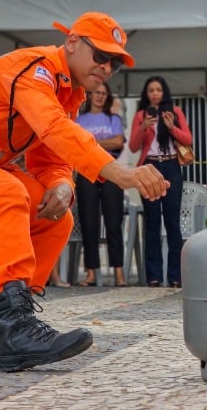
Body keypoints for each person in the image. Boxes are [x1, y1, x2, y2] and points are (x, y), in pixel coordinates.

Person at [0, 12, 169, 372]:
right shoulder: (35, 66)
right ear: (72, 43)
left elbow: (50, 156)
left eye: (114, 63)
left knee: (54, 217)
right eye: (101, 56)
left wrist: (61, 184)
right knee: (6, 191)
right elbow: (52, 126)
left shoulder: (68, 93)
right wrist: (120, 172)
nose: (106, 68)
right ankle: (15, 328)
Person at [129, 76, 192, 288]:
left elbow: (188, 140)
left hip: (171, 166)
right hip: (149, 166)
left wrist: (171, 127)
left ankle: (176, 276)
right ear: (146, 94)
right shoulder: (140, 115)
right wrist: (143, 127)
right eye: (151, 90)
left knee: (173, 222)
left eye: (158, 90)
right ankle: (154, 276)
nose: (155, 93)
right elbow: (133, 146)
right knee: (152, 223)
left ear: (164, 92)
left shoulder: (175, 112)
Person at [75, 81, 127, 287]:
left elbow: (118, 142)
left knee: (114, 223)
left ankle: (119, 272)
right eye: (96, 92)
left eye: (103, 93)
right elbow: (77, 146)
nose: (99, 96)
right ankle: (90, 272)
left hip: (111, 171)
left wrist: (92, 143)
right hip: (87, 173)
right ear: (89, 95)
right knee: (89, 223)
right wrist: (103, 143)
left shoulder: (113, 118)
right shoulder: (79, 120)